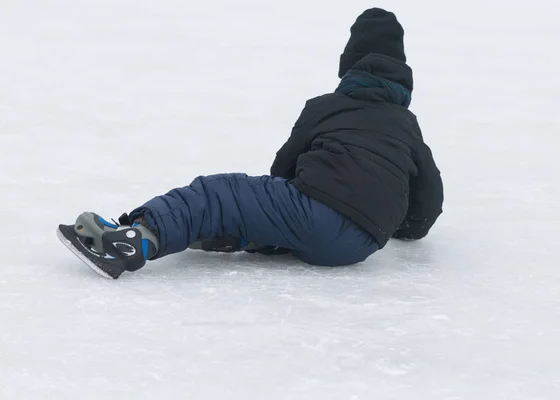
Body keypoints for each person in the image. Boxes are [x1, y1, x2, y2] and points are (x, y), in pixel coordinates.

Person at [57, 8, 444, 279]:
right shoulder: (409, 127)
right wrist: (399, 228)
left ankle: (135, 240)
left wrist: (290, 201)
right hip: (361, 246)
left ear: (349, 69)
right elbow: (427, 205)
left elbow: (285, 167)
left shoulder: (328, 106)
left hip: (320, 223)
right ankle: (253, 236)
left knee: (219, 193)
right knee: (274, 212)